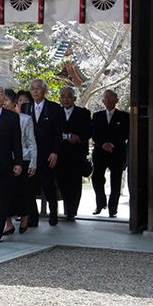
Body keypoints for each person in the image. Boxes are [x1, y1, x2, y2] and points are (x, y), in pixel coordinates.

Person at [0, 85, 23, 242]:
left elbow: (17, 142)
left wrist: (18, 162)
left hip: (5, 163)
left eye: (1, 93)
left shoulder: (12, 117)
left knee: (2, 199)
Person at [28, 78, 63, 226]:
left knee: (48, 184)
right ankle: (32, 217)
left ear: (44, 91)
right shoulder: (26, 107)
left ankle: (53, 211)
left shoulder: (54, 108)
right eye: (32, 89)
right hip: (30, 153)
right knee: (30, 186)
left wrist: (55, 152)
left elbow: (58, 133)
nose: (35, 91)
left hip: (47, 152)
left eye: (38, 88)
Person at [91, 89, 129, 218]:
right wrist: (103, 144)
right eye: (105, 97)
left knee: (116, 181)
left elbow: (126, 133)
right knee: (96, 178)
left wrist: (113, 144)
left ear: (116, 100)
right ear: (102, 100)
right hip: (100, 152)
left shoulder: (124, 116)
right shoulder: (97, 115)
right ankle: (100, 203)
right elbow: (94, 133)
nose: (107, 100)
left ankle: (113, 209)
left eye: (110, 97)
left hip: (116, 152)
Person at [4, 89, 37, 235]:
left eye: (7, 100)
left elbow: (31, 141)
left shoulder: (25, 119)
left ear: (14, 103)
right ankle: (8, 224)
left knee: (22, 191)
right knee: (5, 193)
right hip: (5, 159)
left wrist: (33, 162)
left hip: (23, 158)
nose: (4, 103)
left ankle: (24, 218)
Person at [57, 86, 92, 221]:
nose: (66, 99)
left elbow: (89, 131)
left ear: (74, 98)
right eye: (63, 96)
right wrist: (65, 136)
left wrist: (79, 137)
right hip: (60, 153)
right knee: (62, 181)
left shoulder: (83, 113)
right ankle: (66, 208)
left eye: (69, 96)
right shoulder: (56, 113)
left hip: (77, 154)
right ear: (60, 99)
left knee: (75, 183)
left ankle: (72, 211)